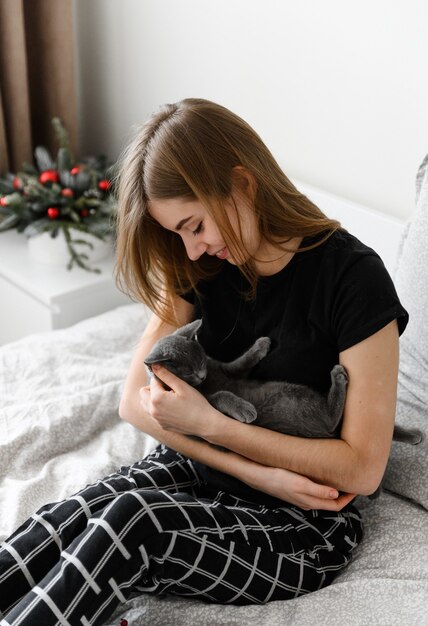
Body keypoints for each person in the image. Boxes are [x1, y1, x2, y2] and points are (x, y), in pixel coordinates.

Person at [0, 98, 408, 625]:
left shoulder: (355, 280)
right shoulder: (202, 265)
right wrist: (255, 470)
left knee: (131, 522)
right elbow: (133, 403)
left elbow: (364, 468)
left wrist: (213, 426)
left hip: (304, 524)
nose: (191, 251)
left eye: (194, 226)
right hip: (206, 467)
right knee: (67, 520)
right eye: (178, 234)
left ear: (241, 183)